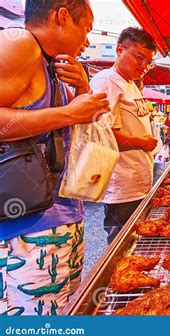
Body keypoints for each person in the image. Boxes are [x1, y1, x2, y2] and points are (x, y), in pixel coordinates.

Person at [0, 0, 110, 316]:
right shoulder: (20, 43)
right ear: (61, 16)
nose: (87, 40)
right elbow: (63, 119)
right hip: (28, 228)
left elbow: (73, 128)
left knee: (62, 315)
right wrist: (67, 113)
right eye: (86, 29)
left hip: (61, 215)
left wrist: (82, 89)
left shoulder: (53, 64)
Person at [89, 27, 158, 244]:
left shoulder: (130, 84)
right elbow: (102, 135)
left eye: (148, 62)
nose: (144, 66)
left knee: (137, 243)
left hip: (138, 183)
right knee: (122, 246)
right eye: (139, 58)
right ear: (120, 50)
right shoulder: (106, 81)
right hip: (122, 186)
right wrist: (143, 143)